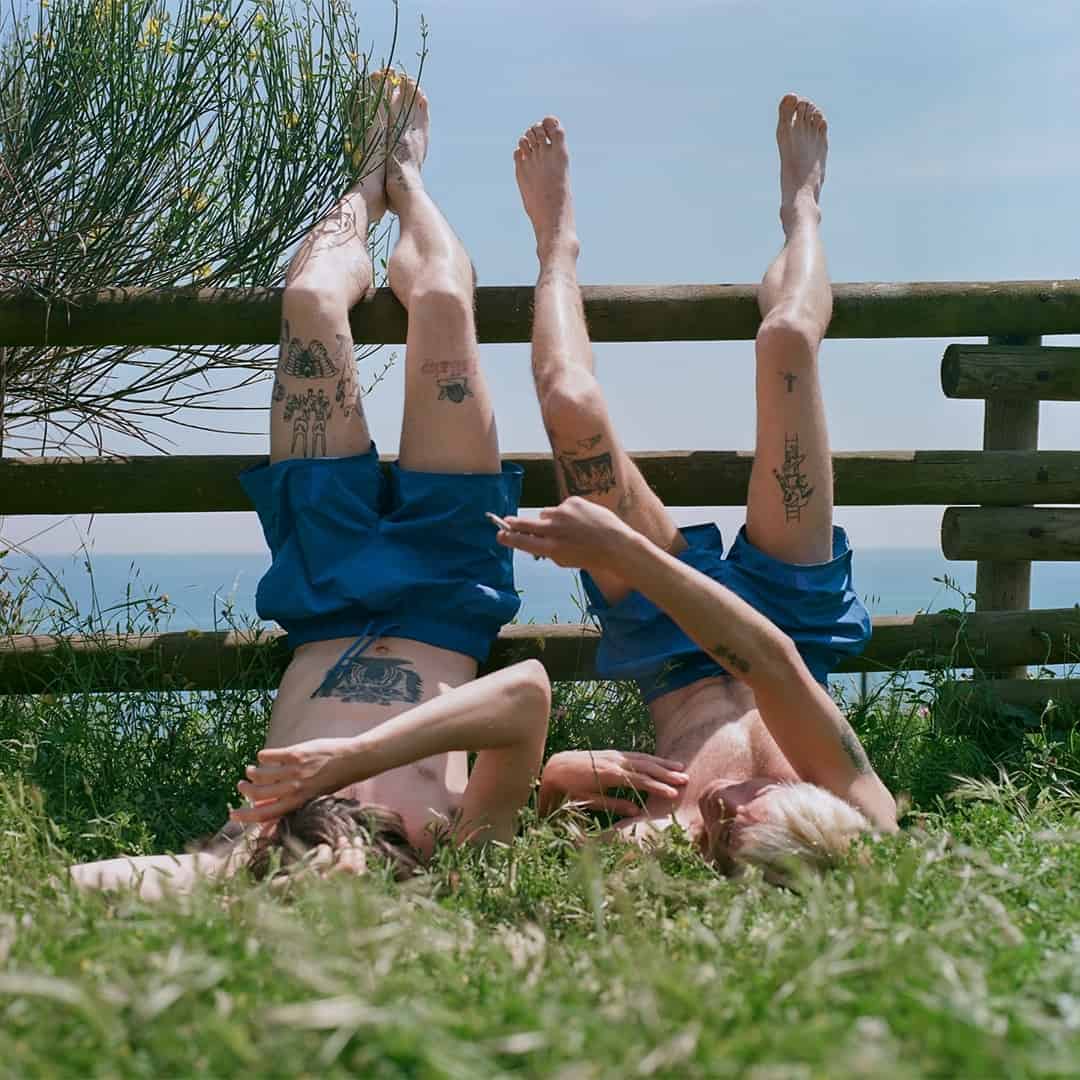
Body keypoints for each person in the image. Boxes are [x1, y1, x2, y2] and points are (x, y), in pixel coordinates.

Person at [70, 72, 552, 900]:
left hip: (323, 588)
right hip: (447, 589)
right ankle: (408, 180)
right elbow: (526, 696)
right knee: (438, 299)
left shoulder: (235, 862)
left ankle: (366, 183)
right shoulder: (451, 859)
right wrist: (352, 760)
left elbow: (68, 887)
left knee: (309, 301)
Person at [500, 96, 899, 880]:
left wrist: (566, 774)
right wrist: (619, 547)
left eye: (716, 841)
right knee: (785, 338)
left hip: (665, 646)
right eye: (743, 818)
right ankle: (803, 213)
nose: (718, 814)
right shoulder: (859, 810)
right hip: (795, 630)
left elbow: (536, 803)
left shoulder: (670, 835)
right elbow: (774, 661)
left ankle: (555, 245)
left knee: (569, 405)